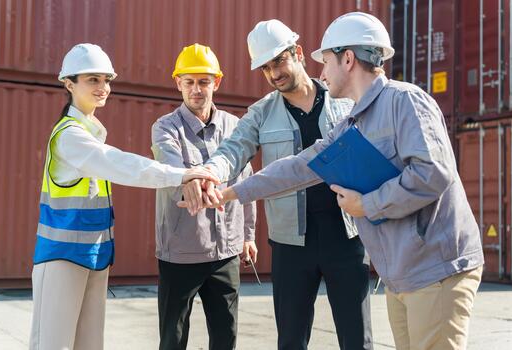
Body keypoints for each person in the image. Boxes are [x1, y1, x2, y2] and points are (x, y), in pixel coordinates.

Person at [184, 12, 485, 350]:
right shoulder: (351, 123)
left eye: (325, 61)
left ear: (348, 58)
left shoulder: (403, 102)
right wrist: (226, 192)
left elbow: (435, 174)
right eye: (265, 67)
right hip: (396, 271)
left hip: (431, 265)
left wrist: (365, 204)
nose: (323, 72)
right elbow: (297, 167)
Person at [183, 20, 372, 350]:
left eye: (279, 61)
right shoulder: (260, 113)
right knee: (291, 341)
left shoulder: (344, 100)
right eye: (266, 68)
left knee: (357, 339)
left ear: (298, 53)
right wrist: (208, 173)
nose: (273, 73)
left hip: (346, 235)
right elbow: (233, 150)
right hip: (290, 243)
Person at [29, 43, 218, 350]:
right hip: (60, 259)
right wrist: (181, 174)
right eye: (93, 80)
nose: (103, 87)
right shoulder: (70, 136)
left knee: (90, 346)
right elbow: (122, 165)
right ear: (69, 83)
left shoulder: (89, 131)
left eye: (106, 79)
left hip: (94, 258)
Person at [151, 43, 257, 350]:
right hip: (181, 252)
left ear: (217, 83)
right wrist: (192, 178)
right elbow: (170, 162)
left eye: (204, 81)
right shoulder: (165, 128)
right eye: (189, 82)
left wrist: (248, 236)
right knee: (173, 338)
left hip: (226, 253)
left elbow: (246, 184)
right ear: (178, 83)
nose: (196, 89)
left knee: (226, 336)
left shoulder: (235, 127)